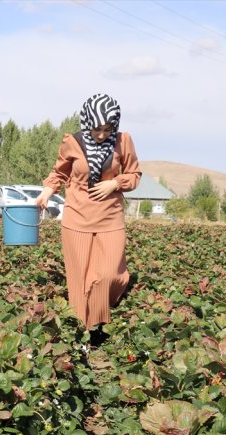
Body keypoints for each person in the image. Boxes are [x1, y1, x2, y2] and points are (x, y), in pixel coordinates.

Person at [35, 93, 141, 344]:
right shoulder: (72, 141)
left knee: (110, 274)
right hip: (77, 217)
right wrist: (47, 191)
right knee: (79, 279)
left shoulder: (123, 141)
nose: (102, 134)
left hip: (110, 218)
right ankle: (86, 332)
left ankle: (98, 312)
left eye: (107, 129)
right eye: (97, 129)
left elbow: (135, 174)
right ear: (86, 122)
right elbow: (59, 171)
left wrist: (115, 183)